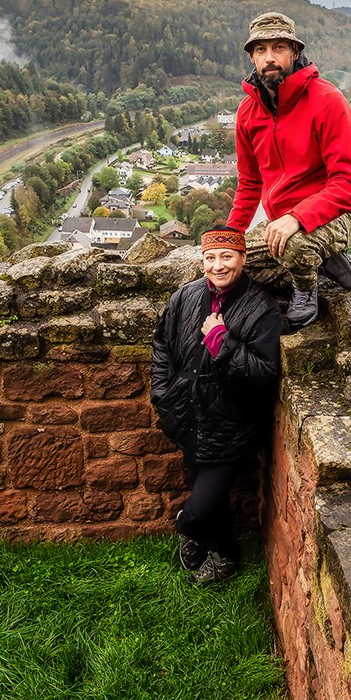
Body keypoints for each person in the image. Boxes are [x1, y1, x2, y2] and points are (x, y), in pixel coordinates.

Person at [150, 225, 282, 585]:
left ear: (242, 257)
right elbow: (161, 345)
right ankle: (223, 554)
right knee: (212, 497)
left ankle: (188, 527)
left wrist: (221, 341)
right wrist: (162, 392)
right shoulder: (186, 296)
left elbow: (265, 374)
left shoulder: (261, 308)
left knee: (201, 504)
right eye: (211, 257)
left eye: (227, 256)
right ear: (202, 260)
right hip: (187, 414)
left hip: (232, 422)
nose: (218, 265)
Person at [227, 11, 351, 330]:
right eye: (261, 50)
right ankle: (322, 262)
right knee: (232, 264)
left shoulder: (327, 101)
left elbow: (347, 184)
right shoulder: (248, 112)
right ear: (251, 57)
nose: (269, 58)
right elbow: (249, 184)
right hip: (281, 221)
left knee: (295, 246)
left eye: (279, 47)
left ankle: (305, 287)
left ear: (294, 52)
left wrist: (298, 218)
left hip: (335, 214)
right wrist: (229, 238)